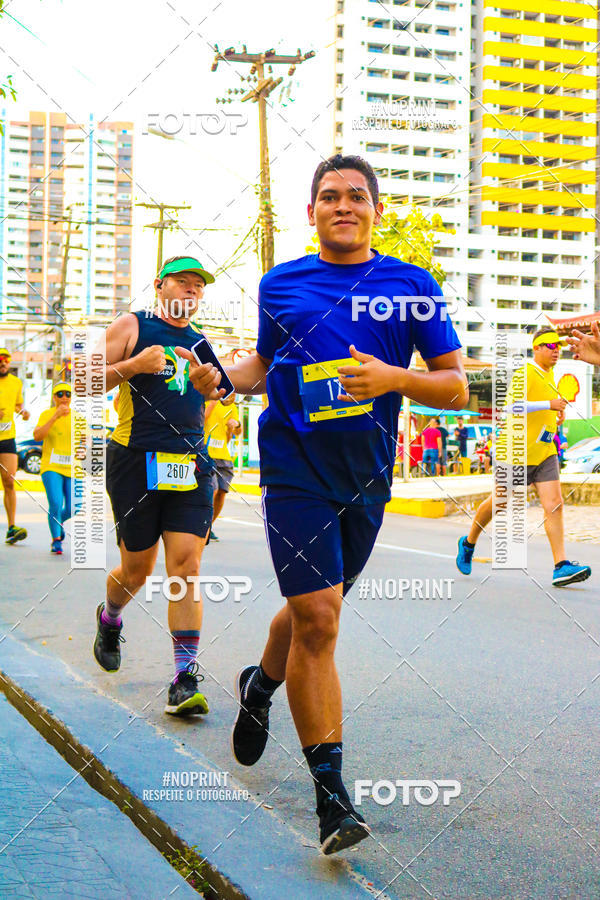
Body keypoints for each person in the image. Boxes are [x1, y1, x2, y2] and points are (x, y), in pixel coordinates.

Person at [182, 153, 468, 854]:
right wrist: (220, 380)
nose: (344, 205)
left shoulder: (411, 285)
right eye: (329, 197)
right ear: (311, 212)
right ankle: (334, 800)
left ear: (376, 209)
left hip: (366, 477)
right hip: (293, 468)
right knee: (320, 615)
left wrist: (392, 377)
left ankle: (260, 684)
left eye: (356, 197)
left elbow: (455, 386)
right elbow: (261, 365)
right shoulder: (281, 285)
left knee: (316, 609)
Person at [90, 255, 217, 717]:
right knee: (138, 570)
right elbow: (82, 380)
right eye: (182, 282)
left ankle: (184, 679)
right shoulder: (131, 325)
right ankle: (110, 617)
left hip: (189, 464)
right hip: (134, 460)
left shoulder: (201, 343)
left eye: (198, 287)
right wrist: (136, 365)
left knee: (185, 567)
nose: (191, 292)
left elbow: (214, 395)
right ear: (159, 284)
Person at [456, 328, 591, 587]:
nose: (555, 349)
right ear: (536, 348)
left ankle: (560, 565)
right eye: (549, 345)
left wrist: (555, 417)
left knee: (555, 504)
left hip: (544, 453)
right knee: (499, 503)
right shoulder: (525, 373)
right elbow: (510, 407)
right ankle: (469, 541)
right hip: (514, 453)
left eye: (558, 345)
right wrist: (548, 405)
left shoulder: (552, 376)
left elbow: (543, 411)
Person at [33, 382, 74, 554]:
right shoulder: (47, 414)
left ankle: (58, 522)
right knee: (56, 503)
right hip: (51, 467)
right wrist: (55, 417)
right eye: (59, 394)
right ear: (54, 398)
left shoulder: (78, 417)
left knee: (74, 507)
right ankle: (56, 540)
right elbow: (37, 436)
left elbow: (86, 441)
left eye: (67, 394)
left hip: (72, 468)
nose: (64, 397)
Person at [0, 347, 30, 544]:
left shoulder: (16, 382)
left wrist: (23, 411)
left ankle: (11, 527)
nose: (3, 363)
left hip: (7, 437)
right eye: (0, 359)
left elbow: (17, 404)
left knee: (9, 480)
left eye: (6, 360)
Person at [204, 395, 242, 541]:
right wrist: (213, 401)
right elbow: (202, 419)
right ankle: (203, 526)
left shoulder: (231, 407)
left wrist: (236, 424)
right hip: (207, 453)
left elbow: (238, 432)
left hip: (224, 456)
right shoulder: (206, 400)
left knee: (221, 492)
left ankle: (209, 526)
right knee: (211, 490)